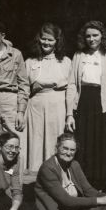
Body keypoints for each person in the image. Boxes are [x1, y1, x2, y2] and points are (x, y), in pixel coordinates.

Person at [65, 20, 106, 188]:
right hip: (83, 104)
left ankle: (100, 187)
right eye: (88, 36)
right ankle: (82, 186)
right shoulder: (78, 55)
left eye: (95, 35)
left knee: (101, 146)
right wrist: (69, 113)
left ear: (102, 36)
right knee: (83, 145)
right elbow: (72, 85)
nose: (91, 39)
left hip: (103, 106)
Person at [24, 23, 71, 172]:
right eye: (43, 39)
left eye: (50, 40)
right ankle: (34, 175)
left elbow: (71, 88)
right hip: (36, 105)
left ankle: (54, 173)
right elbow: (24, 87)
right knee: (36, 141)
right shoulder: (30, 61)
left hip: (58, 104)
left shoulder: (65, 61)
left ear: (57, 41)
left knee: (54, 139)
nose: (46, 42)